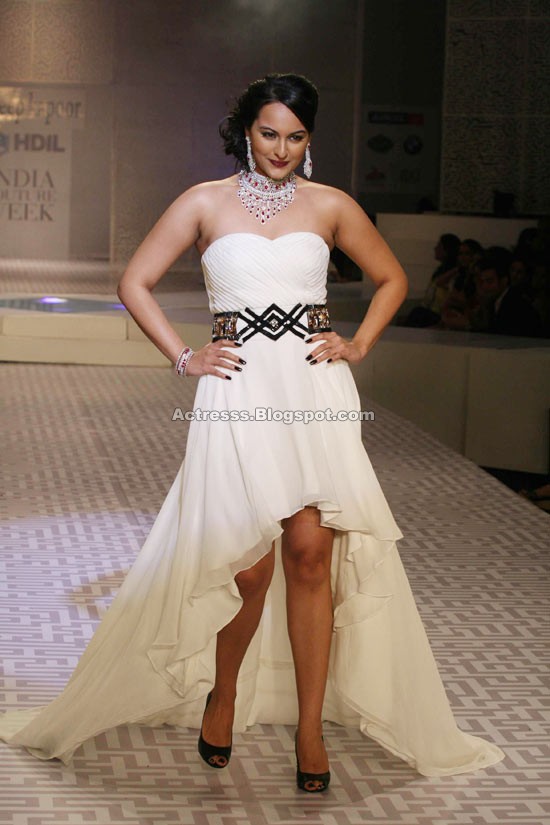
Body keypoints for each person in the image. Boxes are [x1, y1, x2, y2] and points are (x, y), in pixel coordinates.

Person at [0, 73, 505, 791]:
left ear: (309, 139)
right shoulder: (204, 202)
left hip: (313, 389)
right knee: (247, 567)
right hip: (237, 392)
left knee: (310, 557)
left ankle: (310, 729)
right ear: (246, 131)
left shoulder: (330, 205)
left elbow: (392, 278)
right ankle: (225, 693)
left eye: (295, 137)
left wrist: (358, 343)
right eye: (269, 133)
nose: (281, 149)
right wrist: (185, 357)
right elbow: (134, 282)